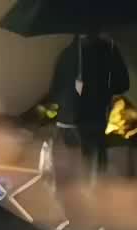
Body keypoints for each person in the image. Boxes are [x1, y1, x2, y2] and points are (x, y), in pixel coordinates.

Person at [49, 33, 130, 184]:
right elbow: (123, 84)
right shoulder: (109, 50)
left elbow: (55, 90)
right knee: (94, 172)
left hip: (67, 121)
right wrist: (103, 92)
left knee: (68, 175)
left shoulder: (67, 53)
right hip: (94, 119)